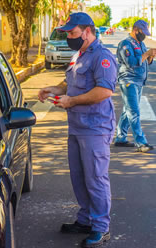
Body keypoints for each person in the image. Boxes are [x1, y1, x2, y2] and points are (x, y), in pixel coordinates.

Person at [38, 12, 117, 248]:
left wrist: (71, 102)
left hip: (95, 128)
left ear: (87, 31)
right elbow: (69, 83)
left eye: (72, 33)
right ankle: (85, 220)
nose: (68, 38)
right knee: (79, 178)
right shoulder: (78, 55)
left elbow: (104, 91)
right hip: (77, 126)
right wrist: (54, 88)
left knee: (96, 179)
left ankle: (101, 228)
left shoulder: (102, 57)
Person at [114, 20, 156, 152]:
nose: (145, 36)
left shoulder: (141, 43)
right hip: (128, 81)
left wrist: (150, 56)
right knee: (134, 112)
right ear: (136, 30)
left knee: (128, 111)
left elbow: (145, 62)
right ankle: (141, 142)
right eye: (143, 32)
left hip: (139, 81)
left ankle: (120, 138)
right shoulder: (125, 44)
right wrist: (146, 54)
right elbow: (131, 63)